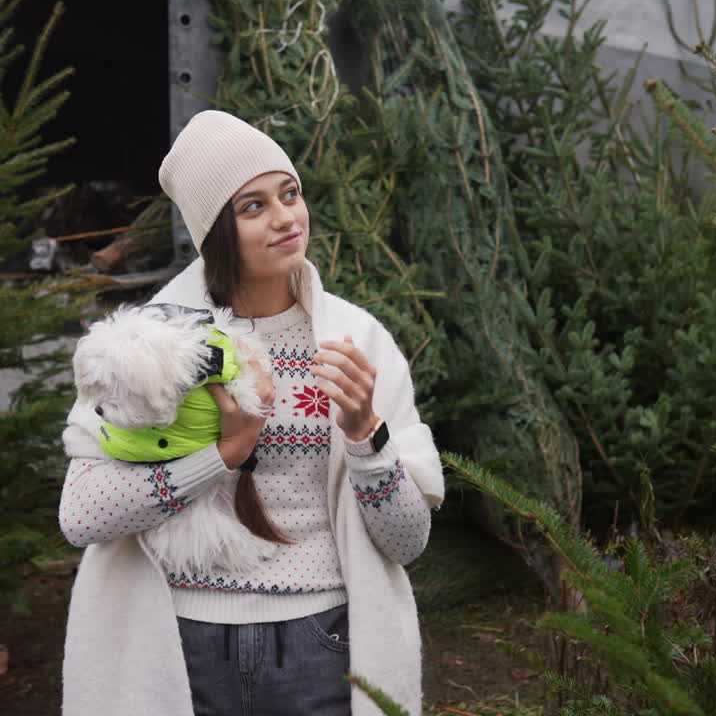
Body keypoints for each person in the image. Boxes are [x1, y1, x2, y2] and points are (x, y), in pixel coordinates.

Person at [58, 110, 445, 716]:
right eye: (253, 206)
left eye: (289, 193)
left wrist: (366, 434)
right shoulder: (146, 349)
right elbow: (82, 516)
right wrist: (224, 454)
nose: (286, 217)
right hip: (179, 644)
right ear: (215, 232)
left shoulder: (356, 342)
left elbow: (408, 540)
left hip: (320, 643)